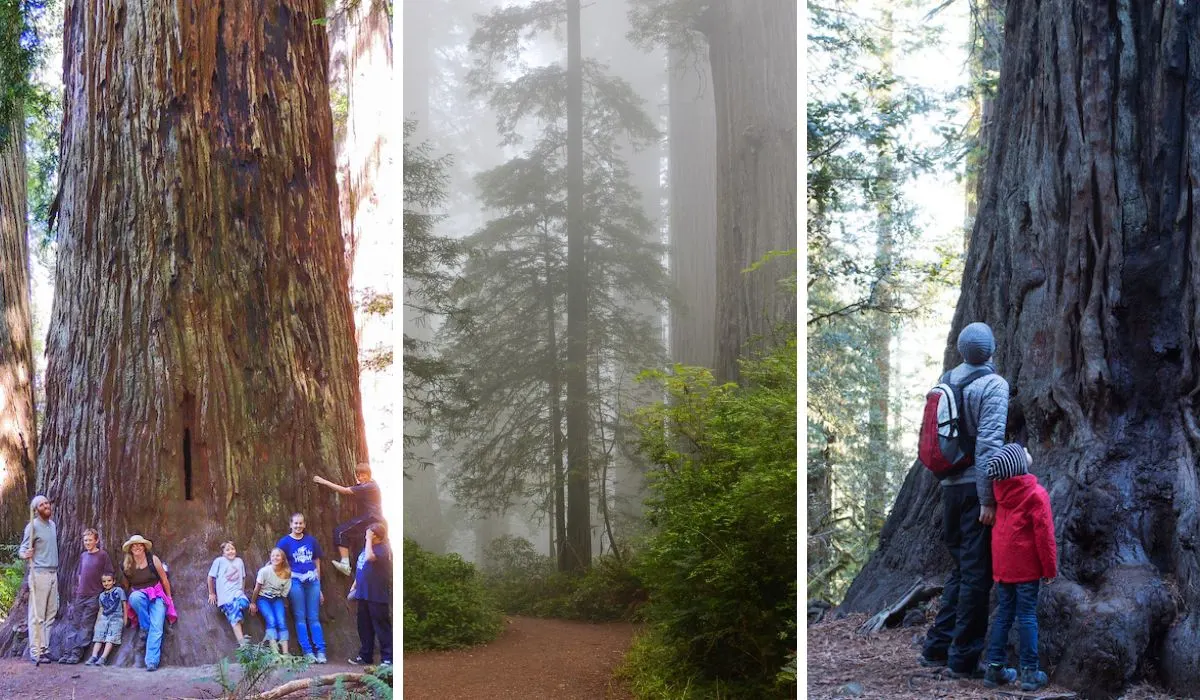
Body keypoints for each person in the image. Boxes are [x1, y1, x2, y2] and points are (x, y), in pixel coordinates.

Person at [920, 322, 1009, 678]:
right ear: (991, 351)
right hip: (975, 491)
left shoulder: (946, 380)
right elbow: (989, 445)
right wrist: (988, 499)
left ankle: (936, 646)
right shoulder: (993, 385)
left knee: (960, 570)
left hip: (949, 489)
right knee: (976, 575)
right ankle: (963, 659)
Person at [982, 443, 1056, 691]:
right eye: (1021, 453)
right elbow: (1044, 535)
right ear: (1018, 465)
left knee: (1004, 614)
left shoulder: (1000, 493)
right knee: (1026, 616)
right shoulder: (1035, 494)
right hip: (1026, 569)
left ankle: (994, 669)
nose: (1026, 451)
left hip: (1003, 568)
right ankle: (1029, 672)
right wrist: (1049, 569)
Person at [56, 528, 116, 664]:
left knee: (86, 625)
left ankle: (76, 654)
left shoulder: (102, 555)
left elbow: (109, 573)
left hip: (94, 595)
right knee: (74, 623)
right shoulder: (83, 556)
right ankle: (67, 652)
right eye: (85, 540)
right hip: (80, 595)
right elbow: (79, 574)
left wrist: (104, 591)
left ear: (96, 541)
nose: (87, 543)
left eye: (90, 540)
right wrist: (77, 588)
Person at [313, 463, 383, 576]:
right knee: (359, 543)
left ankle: (345, 564)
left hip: (371, 517)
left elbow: (345, 491)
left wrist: (323, 481)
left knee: (340, 531)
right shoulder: (372, 484)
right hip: (374, 518)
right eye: (358, 475)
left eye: (363, 475)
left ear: (369, 474)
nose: (360, 478)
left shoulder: (368, 487)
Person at [277, 512, 327, 663]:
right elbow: (277, 560)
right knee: (300, 617)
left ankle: (321, 651)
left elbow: (317, 561)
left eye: (301, 523)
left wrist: (319, 586)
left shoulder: (311, 541)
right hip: (295, 581)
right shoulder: (284, 542)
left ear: (304, 525)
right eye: (295, 523)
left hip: (312, 581)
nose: (298, 526)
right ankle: (308, 652)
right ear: (290, 525)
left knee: (314, 617)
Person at [122, 534, 177, 672]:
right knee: (134, 597)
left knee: (157, 626)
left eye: (140, 545)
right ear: (130, 549)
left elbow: (164, 580)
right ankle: (144, 627)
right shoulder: (127, 564)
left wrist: (169, 598)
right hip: (139, 595)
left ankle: (151, 660)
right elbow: (127, 586)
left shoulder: (153, 559)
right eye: (134, 545)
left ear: (144, 547)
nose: (137, 547)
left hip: (157, 594)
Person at [18, 495, 59, 665]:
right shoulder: (32, 526)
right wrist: (24, 554)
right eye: (41, 505)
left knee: (51, 613)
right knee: (37, 615)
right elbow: (22, 549)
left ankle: (45, 648)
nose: (45, 506)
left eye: (46, 503)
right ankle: (35, 651)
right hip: (39, 573)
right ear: (36, 510)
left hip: (53, 573)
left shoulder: (52, 525)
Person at [348, 522, 392, 667]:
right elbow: (362, 565)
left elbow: (369, 558)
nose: (366, 536)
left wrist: (368, 540)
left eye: (370, 533)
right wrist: (355, 583)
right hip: (363, 594)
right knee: (364, 626)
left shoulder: (382, 548)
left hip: (377, 595)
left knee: (381, 627)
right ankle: (366, 655)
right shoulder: (368, 548)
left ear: (376, 536)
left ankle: (388, 657)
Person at [207, 541, 251, 649]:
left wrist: (242, 590)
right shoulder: (219, 561)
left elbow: (243, 577)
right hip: (226, 598)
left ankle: (237, 616)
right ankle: (243, 646)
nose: (230, 551)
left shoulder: (239, 561)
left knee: (245, 604)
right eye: (227, 550)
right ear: (223, 552)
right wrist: (211, 593)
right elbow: (210, 577)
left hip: (238, 595)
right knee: (235, 619)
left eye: (232, 549)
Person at [250, 548, 292, 654]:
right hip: (263, 598)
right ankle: (275, 653)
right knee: (271, 620)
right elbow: (257, 588)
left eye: (278, 556)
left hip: (277, 599)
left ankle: (286, 654)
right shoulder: (265, 571)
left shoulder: (287, 574)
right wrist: (253, 603)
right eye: (273, 555)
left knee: (281, 622)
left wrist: (283, 604)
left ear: (282, 559)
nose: (275, 558)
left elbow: (284, 594)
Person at [86, 573, 127, 666]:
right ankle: (94, 656)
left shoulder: (119, 591)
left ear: (114, 581)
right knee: (98, 637)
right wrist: (97, 622)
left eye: (109, 581)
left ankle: (103, 657)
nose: (106, 583)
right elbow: (101, 609)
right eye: (104, 581)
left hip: (116, 618)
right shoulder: (101, 596)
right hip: (104, 618)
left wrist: (125, 618)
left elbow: (124, 604)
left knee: (111, 638)